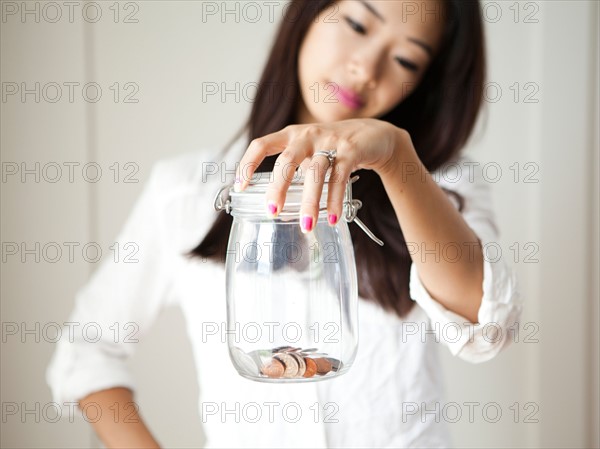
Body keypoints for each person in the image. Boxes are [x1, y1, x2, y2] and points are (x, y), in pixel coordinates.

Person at [47, 0, 521, 447]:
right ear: (308, 13)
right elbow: (85, 351)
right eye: (357, 25)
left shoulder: (438, 183)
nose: (366, 68)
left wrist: (397, 158)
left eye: (406, 60)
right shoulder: (185, 191)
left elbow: (487, 330)